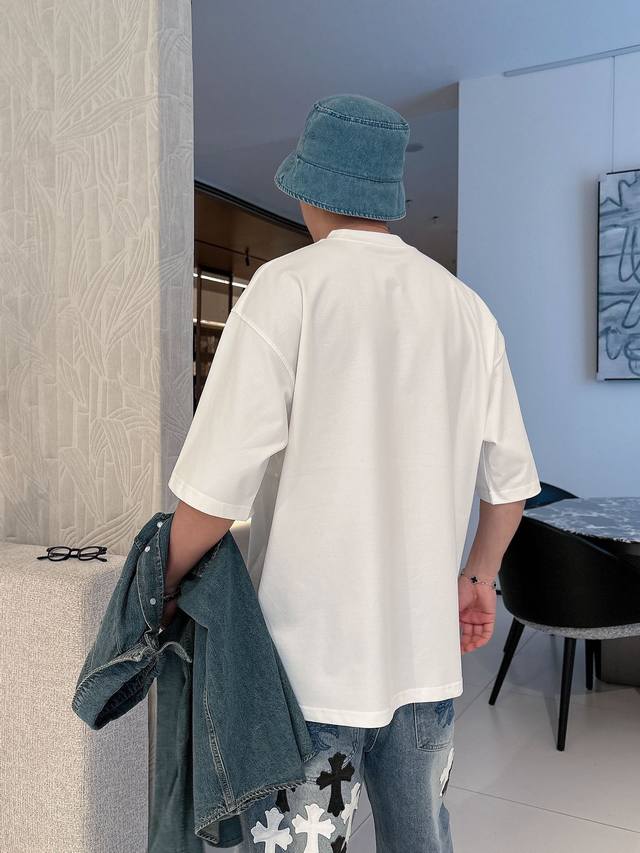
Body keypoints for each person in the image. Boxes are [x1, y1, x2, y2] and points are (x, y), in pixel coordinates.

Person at [163, 94, 541, 852]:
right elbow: (508, 490)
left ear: (310, 191)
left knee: (296, 844)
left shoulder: (288, 287)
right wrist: (477, 577)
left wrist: (163, 586)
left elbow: (214, 486)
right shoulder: (467, 310)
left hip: (308, 667)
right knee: (421, 841)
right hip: (425, 659)